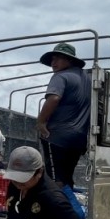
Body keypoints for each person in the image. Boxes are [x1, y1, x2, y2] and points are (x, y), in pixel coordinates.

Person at [36, 42, 92, 188]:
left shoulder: (60, 76)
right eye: (52, 59)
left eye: (58, 58)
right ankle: (71, 208)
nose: (53, 63)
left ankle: (60, 209)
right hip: (79, 139)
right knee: (67, 177)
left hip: (57, 137)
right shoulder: (88, 79)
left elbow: (54, 98)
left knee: (55, 180)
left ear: (70, 60)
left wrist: (41, 122)